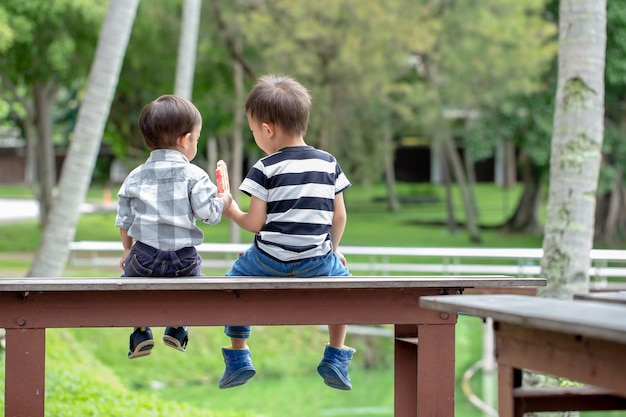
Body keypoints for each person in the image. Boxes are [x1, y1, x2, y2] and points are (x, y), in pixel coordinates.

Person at [218, 74, 355, 390]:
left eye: (254, 131)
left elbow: (254, 224)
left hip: (267, 260)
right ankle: (336, 354)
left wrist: (231, 211)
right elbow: (340, 216)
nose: (256, 136)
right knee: (347, 289)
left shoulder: (264, 168)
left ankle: (239, 356)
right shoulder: (329, 164)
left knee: (233, 284)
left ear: (267, 129)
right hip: (317, 261)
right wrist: (332, 250)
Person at [115, 94, 232, 359]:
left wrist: (126, 250)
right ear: (185, 139)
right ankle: (177, 328)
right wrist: (223, 199)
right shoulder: (195, 175)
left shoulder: (135, 175)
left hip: (143, 255)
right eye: (197, 139)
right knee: (194, 288)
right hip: (184, 259)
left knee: (132, 286)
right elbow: (210, 215)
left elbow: (125, 218)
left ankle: (141, 331)